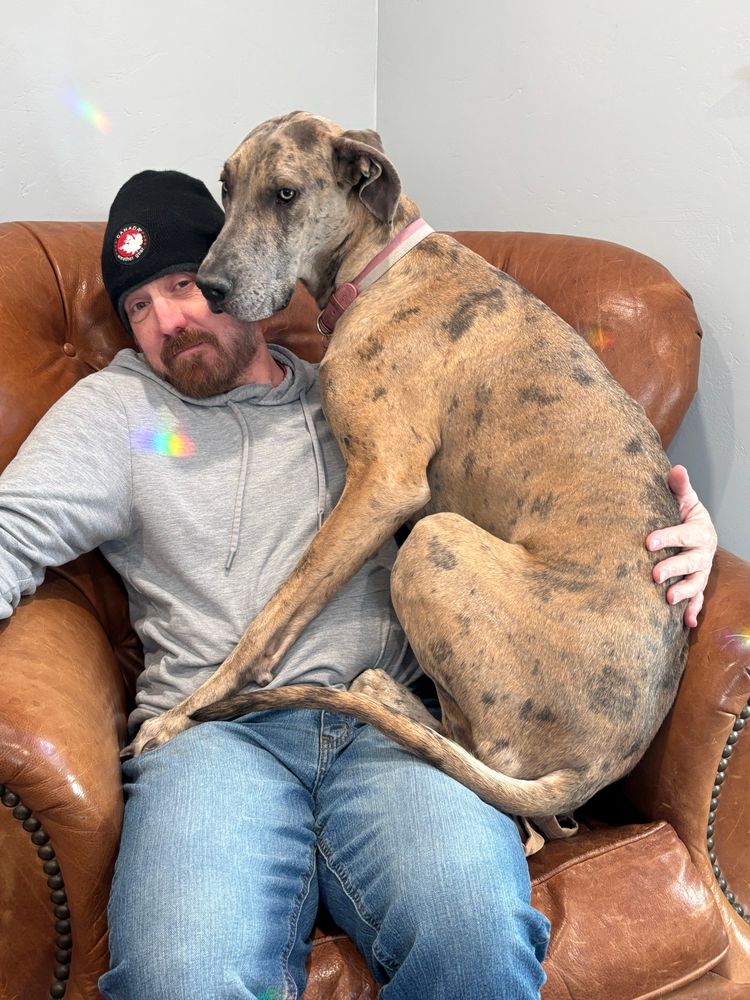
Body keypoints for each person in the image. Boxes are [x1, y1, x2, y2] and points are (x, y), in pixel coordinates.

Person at [0, 170, 717, 1000]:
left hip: (398, 726)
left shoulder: (368, 384)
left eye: (184, 286)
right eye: (137, 309)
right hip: (215, 738)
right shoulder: (117, 413)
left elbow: (559, 463)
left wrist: (671, 534)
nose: (167, 323)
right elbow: (10, 529)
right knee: (178, 977)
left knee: (479, 947)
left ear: (238, 270)